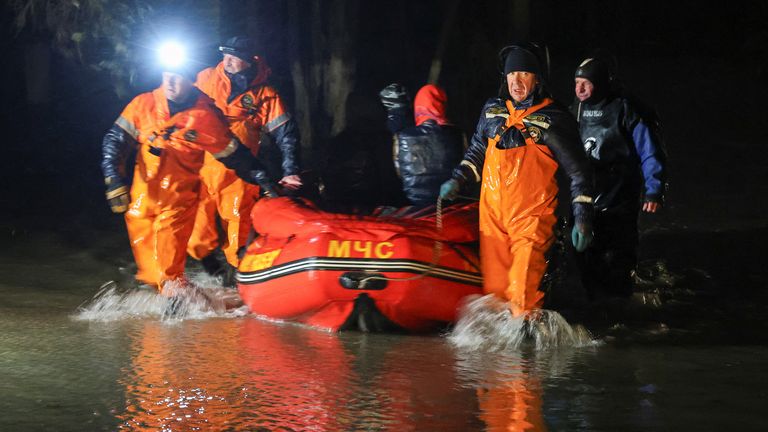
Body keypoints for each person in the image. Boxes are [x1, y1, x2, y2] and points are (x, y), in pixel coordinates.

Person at [101, 45, 276, 292]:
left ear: (190, 80)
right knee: (149, 273)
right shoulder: (144, 105)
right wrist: (114, 179)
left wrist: (265, 180)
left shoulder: (204, 117)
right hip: (142, 198)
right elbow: (116, 140)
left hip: (178, 200)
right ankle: (162, 301)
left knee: (169, 271)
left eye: (178, 77)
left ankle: (179, 302)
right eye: (166, 75)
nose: (170, 82)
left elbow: (235, 156)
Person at [439, 43, 595, 317]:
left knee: (522, 295)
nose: (516, 81)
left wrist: (582, 217)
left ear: (537, 79)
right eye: (512, 74)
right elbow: (477, 151)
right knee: (496, 295)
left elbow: (579, 171)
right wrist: (458, 179)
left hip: (532, 217)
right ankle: (499, 356)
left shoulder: (554, 118)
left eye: (524, 73)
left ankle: (526, 351)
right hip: (493, 218)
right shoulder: (492, 110)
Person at [186, 36, 302, 280]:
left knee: (237, 226)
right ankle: (211, 270)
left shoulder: (265, 94)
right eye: (224, 55)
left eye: (234, 57)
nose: (226, 61)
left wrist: (290, 170)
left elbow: (286, 135)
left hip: (239, 172)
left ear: (249, 61)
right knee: (196, 232)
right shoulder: (207, 77)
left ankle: (239, 279)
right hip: (200, 166)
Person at [572, 56, 667, 299]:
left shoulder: (626, 107)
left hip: (620, 195)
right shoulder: (579, 107)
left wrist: (654, 189)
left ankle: (621, 305)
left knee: (618, 256)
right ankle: (596, 307)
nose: (579, 89)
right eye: (576, 82)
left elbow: (650, 151)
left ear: (602, 83)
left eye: (586, 83)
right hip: (587, 196)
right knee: (585, 257)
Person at [379, 83, 465, 207]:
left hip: (415, 203)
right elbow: (466, 167)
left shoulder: (402, 136)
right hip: (452, 203)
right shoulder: (457, 134)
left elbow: (399, 172)